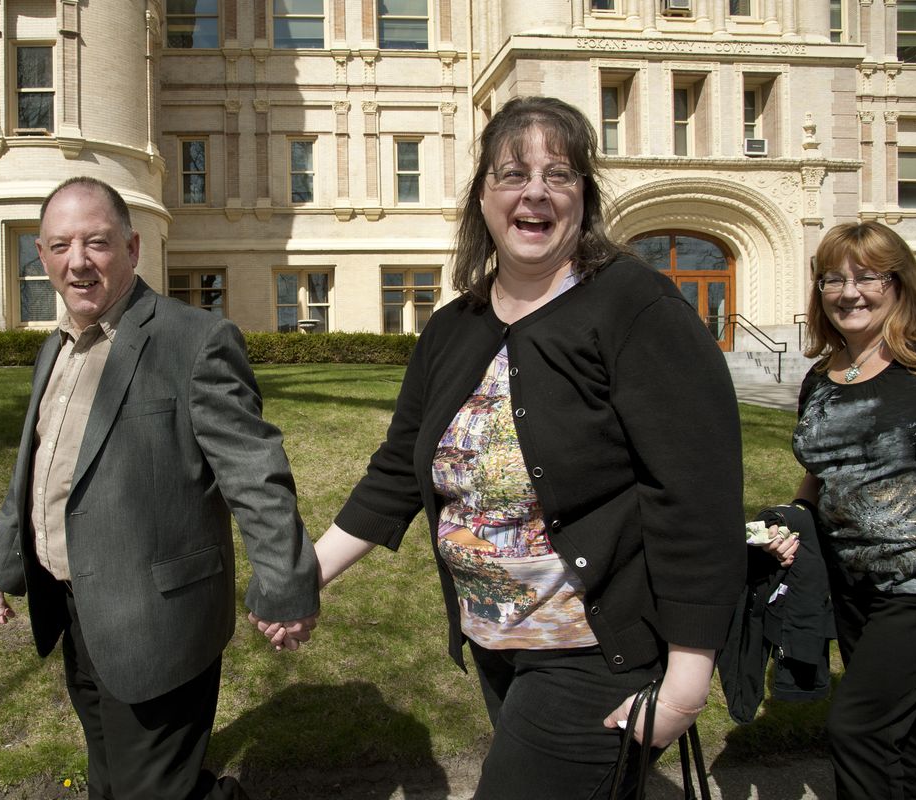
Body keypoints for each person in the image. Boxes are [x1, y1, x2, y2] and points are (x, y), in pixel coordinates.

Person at [252, 96, 745, 798]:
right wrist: (308, 575)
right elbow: (399, 469)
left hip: (594, 650)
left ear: (584, 197)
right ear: (483, 198)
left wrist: (689, 678)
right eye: (513, 174)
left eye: (560, 174)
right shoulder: (455, 327)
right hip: (495, 644)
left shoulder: (634, 307)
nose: (535, 191)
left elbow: (695, 493)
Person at [0, 176, 319, 800]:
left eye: (96, 243)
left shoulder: (195, 341)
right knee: (111, 782)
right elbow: (38, 471)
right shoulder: (56, 350)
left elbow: (255, 472)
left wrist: (286, 584)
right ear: (42, 255)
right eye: (58, 246)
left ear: (132, 248)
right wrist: (2, 565)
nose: (77, 263)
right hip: (79, 614)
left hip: (161, 623)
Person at [757, 220, 916, 799]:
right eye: (833, 279)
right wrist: (790, 518)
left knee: (859, 730)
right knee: (906, 741)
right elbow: (820, 471)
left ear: (898, 285)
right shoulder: (822, 379)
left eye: (867, 277)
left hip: (914, 585)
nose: (849, 292)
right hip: (850, 584)